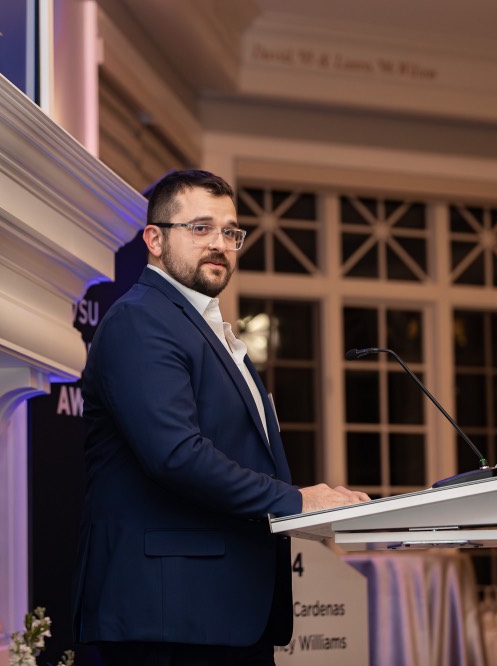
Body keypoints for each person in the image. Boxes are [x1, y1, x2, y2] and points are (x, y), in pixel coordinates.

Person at [72, 169, 369, 665]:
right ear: (154, 240)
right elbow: (176, 456)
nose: (219, 244)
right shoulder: (140, 319)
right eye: (200, 228)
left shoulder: (204, 327)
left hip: (220, 611)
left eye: (230, 232)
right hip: (172, 614)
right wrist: (298, 500)